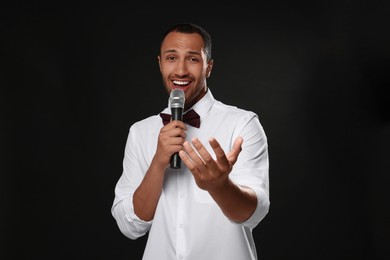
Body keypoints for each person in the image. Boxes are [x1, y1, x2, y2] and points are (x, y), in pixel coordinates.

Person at [111, 22, 270, 260]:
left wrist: (220, 186)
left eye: (193, 59)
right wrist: (157, 163)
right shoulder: (140, 132)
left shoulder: (242, 124)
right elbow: (130, 226)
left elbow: (253, 214)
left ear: (209, 67)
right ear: (160, 63)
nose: (181, 71)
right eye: (171, 58)